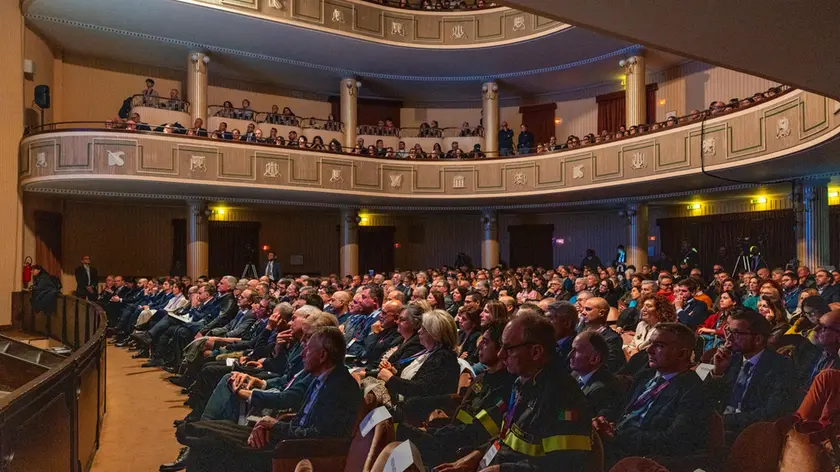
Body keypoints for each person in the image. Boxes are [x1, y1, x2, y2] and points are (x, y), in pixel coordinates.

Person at [173, 327, 361, 472]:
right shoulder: (321, 377)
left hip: (293, 450)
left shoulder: (340, 387)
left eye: (308, 349)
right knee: (204, 435)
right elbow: (301, 420)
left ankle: (192, 432)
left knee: (206, 445)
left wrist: (274, 425)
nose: (302, 354)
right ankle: (192, 430)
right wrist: (268, 424)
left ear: (322, 355)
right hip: (286, 436)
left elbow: (316, 434)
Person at [434, 313, 593, 471]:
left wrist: (501, 470)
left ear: (536, 352)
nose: (500, 354)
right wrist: (477, 455)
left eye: (509, 349)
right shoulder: (522, 382)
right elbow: (507, 438)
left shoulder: (563, 396)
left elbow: (566, 465)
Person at [384, 322, 516, 468]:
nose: (479, 347)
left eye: (485, 342)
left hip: (459, 449)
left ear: (500, 348)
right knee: (386, 426)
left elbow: (477, 433)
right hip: (448, 436)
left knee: (390, 433)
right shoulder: (482, 379)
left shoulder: (505, 389)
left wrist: (432, 431)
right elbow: (460, 412)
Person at [594, 323, 712, 466]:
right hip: (616, 442)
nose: (649, 350)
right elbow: (621, 408)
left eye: (660, 346)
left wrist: (619, 435)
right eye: (651, 343)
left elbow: (674, 439)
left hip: (643, 457)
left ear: (682, 354)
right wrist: (602, 419)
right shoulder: (645, 375)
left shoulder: (692, 389)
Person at [705, 307, 798, 441]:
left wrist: (723, 421)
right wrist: (717, 374)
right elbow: (707, 397)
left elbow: (771, 412)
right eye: (729, 331)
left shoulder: (781, 366)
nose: (729, 338)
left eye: (736, 333)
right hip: (720, 425)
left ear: (758, 339)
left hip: (748, 433)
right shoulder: (731, 359)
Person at [570, 330, 625, 421]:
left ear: (595, 359)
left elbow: (576, 417)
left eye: (576, 351)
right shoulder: (575, 374)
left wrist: (555, 415)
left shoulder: (603, 388)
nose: (570, 355)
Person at [581, 297, 626, 373]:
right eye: (583, 309)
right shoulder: (581, 331)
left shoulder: (612, 339)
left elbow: (608, 366)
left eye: (588, 309)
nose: (583, 312)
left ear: (601, 313)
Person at [546, 300, 578, 369]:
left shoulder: (577, 349)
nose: (545, 323)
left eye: (550, 318)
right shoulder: (544, 344)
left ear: (567, 323)